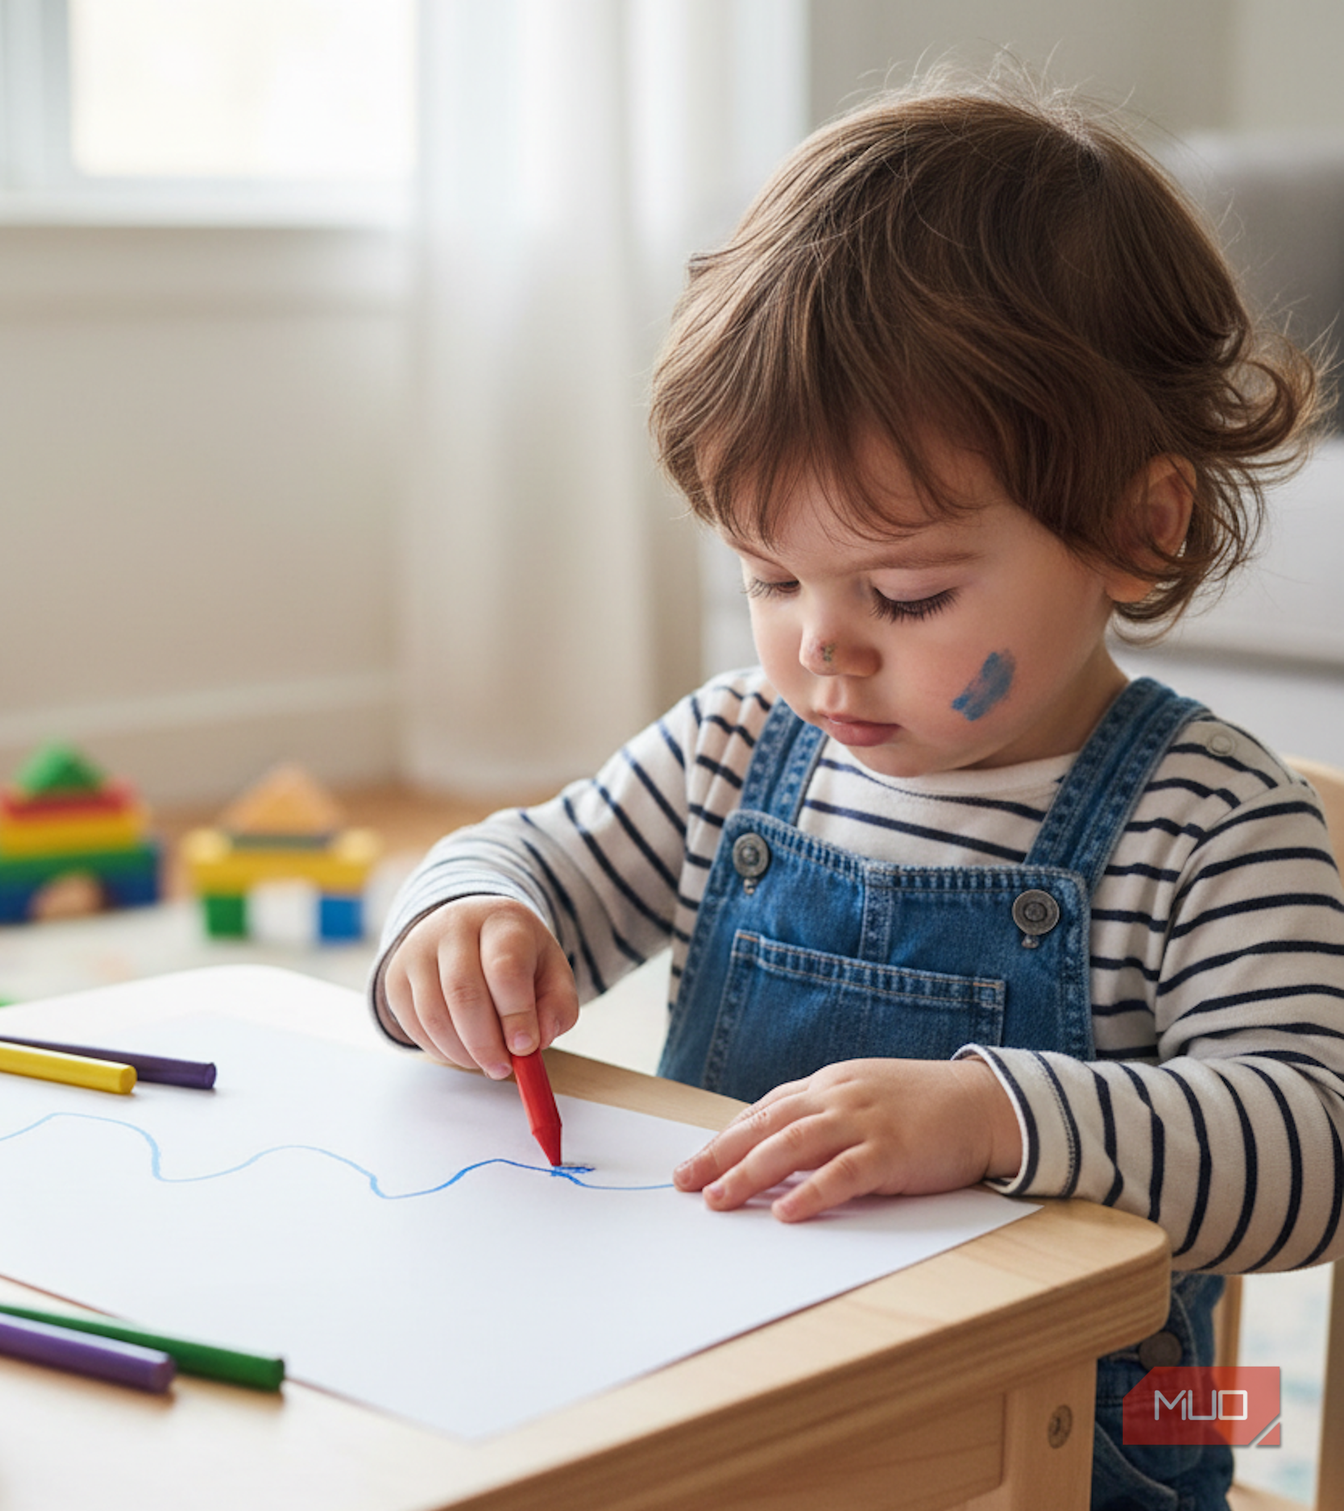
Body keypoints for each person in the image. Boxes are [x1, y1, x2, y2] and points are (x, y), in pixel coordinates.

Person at [368, 74, 1340, 1510]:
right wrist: (460, 927)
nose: (819, 647)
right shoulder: (733, 749)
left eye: (906, 593)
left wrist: (990, 1118)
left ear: (1137, 529)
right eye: (769, 577)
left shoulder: (1212, 827)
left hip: (1055, 1457)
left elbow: (1310, 1150)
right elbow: (530, 863)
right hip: (724, 1406)